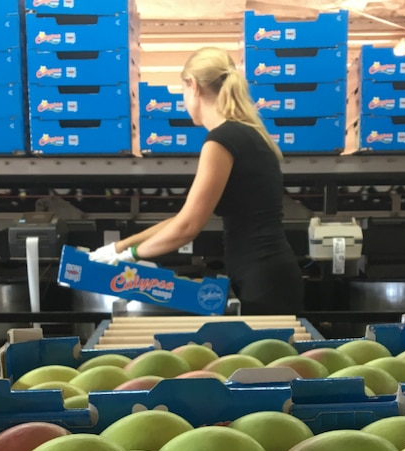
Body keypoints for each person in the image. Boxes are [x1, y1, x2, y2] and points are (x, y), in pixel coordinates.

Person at [89, 46, 304, 315]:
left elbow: (188, 227)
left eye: (183, 92)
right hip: (269, 273)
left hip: (263, 281)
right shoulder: (250, 134)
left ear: (193, 85)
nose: (184, 101)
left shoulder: (220, 142)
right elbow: (183, 218)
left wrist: (132, 257)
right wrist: (117, 248)